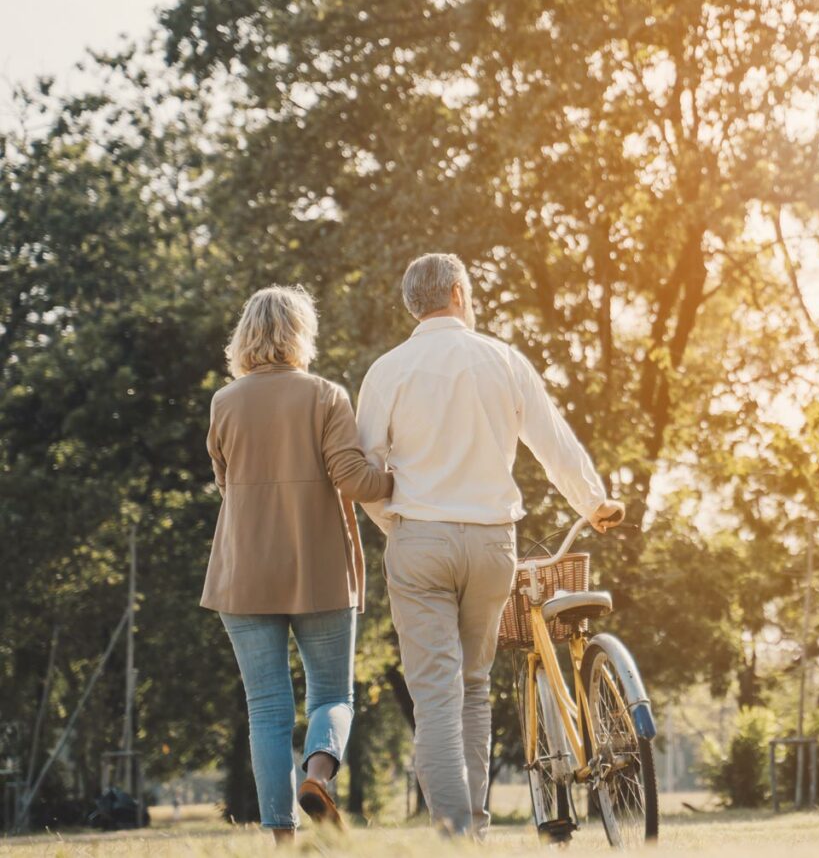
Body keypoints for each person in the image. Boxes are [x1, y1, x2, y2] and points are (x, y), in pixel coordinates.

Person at [356, 253, 624, 838]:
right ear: (457, 293)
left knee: (435, 699)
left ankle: (459, 839)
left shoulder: (387, 370)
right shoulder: (502, 359)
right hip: (492, 545)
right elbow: (553, 443)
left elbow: (365, 471)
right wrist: (593, 503)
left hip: (419, 541)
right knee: (473, 688)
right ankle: (472, 832)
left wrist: (397, 527)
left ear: (414, 304)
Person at [201, 285, 393, 846]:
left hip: (244, 573)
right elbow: (354, 481)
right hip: (321, 570)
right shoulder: (326, 396)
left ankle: (280, 837)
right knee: (332, 695)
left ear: (245, 338)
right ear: (300, 335)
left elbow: (224, 483)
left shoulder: (224, 402)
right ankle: (316, 777)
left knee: (266, 709)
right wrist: (398, 480)